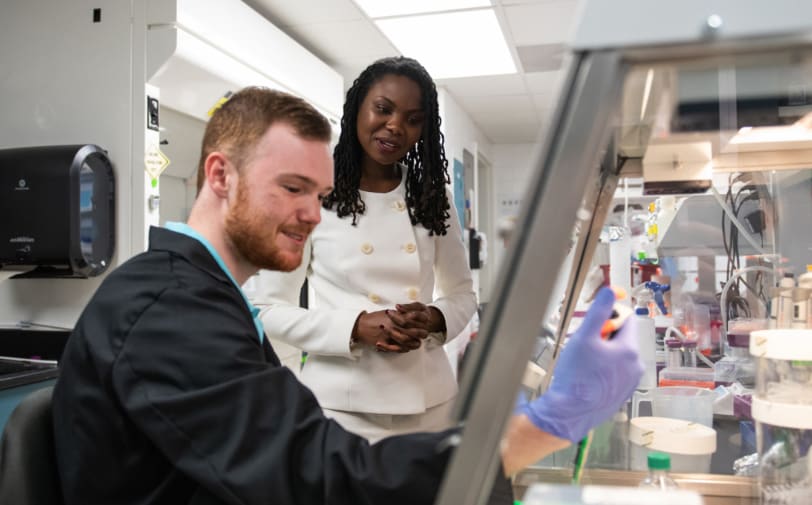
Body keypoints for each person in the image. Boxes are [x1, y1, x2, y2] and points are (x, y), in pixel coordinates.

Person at [52, 86, 644, 505]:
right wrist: (546, 423)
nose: (312, 214)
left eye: (320, 193)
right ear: (219, 176)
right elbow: (316, 477)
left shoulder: (204, 294)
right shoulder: (169, 311)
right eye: (291, 188)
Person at [258, 56, 475, 442]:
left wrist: (433, 319)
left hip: (430, 403)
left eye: (413, 118)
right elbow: (269, 310)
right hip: (341, 408)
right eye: (383, 108)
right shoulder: (310, 194)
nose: (395, 126)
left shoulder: (432, 196)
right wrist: (355, 327)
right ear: (356, 107)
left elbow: (461, 294)